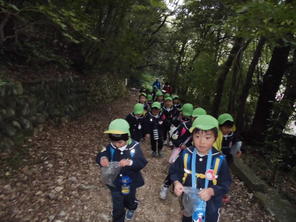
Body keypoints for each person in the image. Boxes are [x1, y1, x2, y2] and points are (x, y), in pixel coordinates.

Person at [170, 115, 231, 222]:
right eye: (197, 136)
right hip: (189, 204)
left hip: (210, 208)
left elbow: (226, 183)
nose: (202, 142)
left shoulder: (219, 160)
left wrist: (212, 191)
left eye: (207, 137)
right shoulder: (186, 155)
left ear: (215, 138)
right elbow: (175, 171)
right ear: (192, 136)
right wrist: (176, 183)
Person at [96, 119, 148, 222]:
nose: (117, 145)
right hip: (114, 181)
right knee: (117, 203)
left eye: (120, 142)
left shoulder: (134, 147)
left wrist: (130, 162)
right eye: (114, 142)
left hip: (128, 181)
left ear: (127, 137)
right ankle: (118, 218)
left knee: (128, 197)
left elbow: (141, 162)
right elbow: (102, 154)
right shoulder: (111, 146)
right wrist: (103, 158)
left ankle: (132, 206)